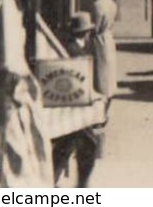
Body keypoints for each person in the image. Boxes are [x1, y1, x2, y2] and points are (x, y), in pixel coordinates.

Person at [51, 13, 106, 187]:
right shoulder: (79, 53)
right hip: (78, 111)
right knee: (87, 148)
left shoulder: (67, 48)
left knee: (65, 148)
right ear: (86, 33)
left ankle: (53, 181)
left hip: (69, 109)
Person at [87, 0, 119, 100]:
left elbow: (96, 26)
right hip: (109, 36)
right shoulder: (111, 2)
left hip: (99, 40)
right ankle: (109, 95)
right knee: (109, 69)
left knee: (100, 71)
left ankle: (102, 96)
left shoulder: (97, 5)